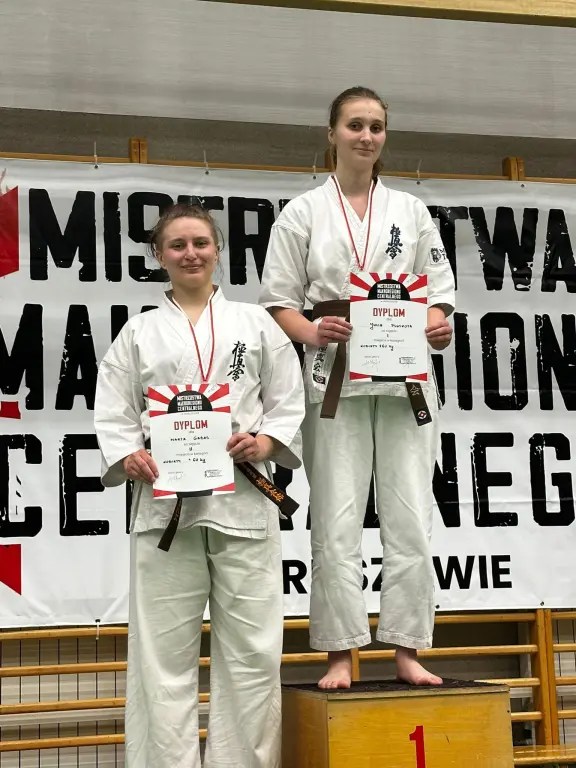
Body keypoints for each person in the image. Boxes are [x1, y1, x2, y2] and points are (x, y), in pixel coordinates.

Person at [94, 203, 305, 768]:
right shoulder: (139, 331)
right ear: (158, 256)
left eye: (201, 243)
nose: (191, 254)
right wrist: (129, 454)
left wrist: (265, 442)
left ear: (218, 251)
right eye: (177, 245)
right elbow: (114, 411)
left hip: (243, 501)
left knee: (254, 652)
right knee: (161, 654)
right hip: (164, 506)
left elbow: (288, 399)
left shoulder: (255, 324)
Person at [259, 86, 455, 690]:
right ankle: (340, 651)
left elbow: (438, 294)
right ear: (332, 134)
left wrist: (437, 326)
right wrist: (313, 331)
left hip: (405, 380)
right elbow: (278, 304)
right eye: (355, 125)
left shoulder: (411, 211)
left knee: (411, 517)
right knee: (336, 519)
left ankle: (407, 646)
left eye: (375, 126)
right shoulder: (302, 213)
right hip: (334, 379)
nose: (366, 136)